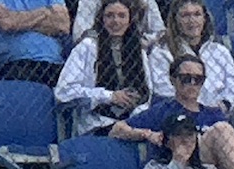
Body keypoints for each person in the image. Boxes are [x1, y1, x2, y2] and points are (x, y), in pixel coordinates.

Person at [113, 57, 234, 169]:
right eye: (186, 79)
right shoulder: (163, 110)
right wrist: (146, 133)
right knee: (221, 129)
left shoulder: (213, 113)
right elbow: (117, 129)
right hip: (192, 164)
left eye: (197, 80)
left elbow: (232, 147)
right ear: (173, 80)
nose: (192, 83)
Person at [55, 0, 164, 136]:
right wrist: (109, 96)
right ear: (101, 19)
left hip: (135, 119)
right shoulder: (87, 47)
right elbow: (63, 92)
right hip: (98, 123)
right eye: (110, 16)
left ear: (129, 20)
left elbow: (148, 92)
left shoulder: (137, 50)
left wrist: (135, 104)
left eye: (122, 16)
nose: (115, 21)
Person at [151, 0, 234, 111]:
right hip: (180, 113)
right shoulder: (162, 53)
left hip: (220, 112)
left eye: (197, 14)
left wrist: (226, 103)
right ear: (175, 21)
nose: (192, 20)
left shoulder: (219, 51)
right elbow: (163, 90)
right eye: (185, 15)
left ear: (205, 18)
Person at [0, 0, 70, 85]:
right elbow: (7, 23)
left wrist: (20, 22)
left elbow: (63, 26)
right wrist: (45, 12)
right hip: (14, 64)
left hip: (56, 63)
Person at [71, 0, 159, 41]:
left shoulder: (147, 2)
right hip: (100, 48)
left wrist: (143, 42)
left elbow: (160, 33)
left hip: (138, 48)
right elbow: (80, 34)